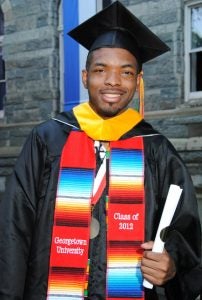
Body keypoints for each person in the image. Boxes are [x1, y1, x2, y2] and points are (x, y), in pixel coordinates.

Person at [0, 1, 201, 300]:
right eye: (100, 69)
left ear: (137, 81)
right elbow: (14, 230)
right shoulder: (48, 138)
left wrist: (171, 262)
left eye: (126, 72)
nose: (112, 81)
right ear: (85, 77)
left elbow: (184, 232)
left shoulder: (156, 148)